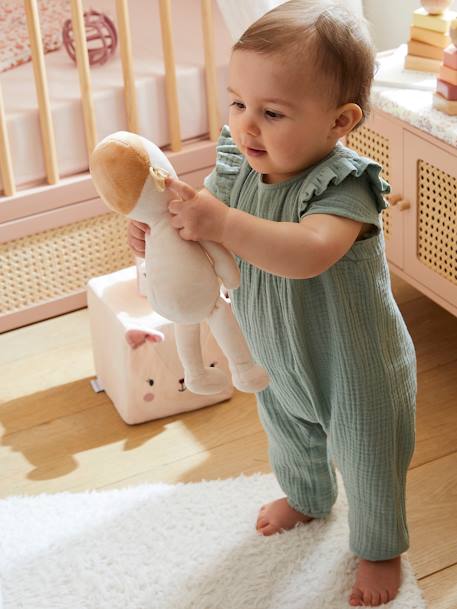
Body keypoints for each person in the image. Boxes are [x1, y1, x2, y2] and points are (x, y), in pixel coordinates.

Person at [127, 1, 416, 605]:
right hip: (275, 351)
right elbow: (202, 229)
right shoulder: (235, 168)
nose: (246, 125)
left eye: (272, 112)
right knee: (288, 432)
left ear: (341, 121)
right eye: (237, 103)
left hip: (356, 365)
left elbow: (307, 252)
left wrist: (223, 221)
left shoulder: (347, 186)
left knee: (367, 457)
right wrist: (164, 232)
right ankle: (307, 496)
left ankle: (379, 546)